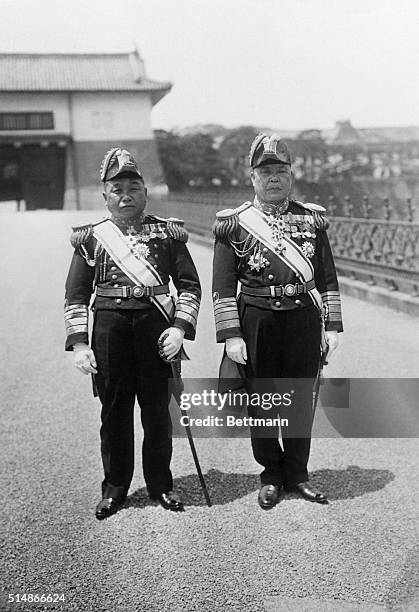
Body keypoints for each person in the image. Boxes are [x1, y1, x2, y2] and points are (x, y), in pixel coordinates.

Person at [64, 148, 201, 519]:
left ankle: (161, 485)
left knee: (157, 413)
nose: (126, 196)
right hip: (110, 331)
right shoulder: (91, 238)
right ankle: (115, 489)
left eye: (133, 188)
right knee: (115, 413)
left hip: (156, 331)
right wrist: (79, 343)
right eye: (117, 189)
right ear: (104, 195)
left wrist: (180, 328)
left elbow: (189, 288)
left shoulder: (168, 234)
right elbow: (76, 296)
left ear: (145, 191)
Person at [212, 133, 343, 509]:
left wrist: (332, 325)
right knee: (262, 400)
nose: (274, 178)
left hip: (302, 319)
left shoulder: (311, 220)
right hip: (257, 321)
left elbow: (328, 278)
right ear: (252, 177)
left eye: (281, 170)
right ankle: (271, 472)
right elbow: (223, 286)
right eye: (266, 171)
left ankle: (298, 473)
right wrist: (231, 335)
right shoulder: (234, 225)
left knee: (302, 398)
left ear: (291, 175)